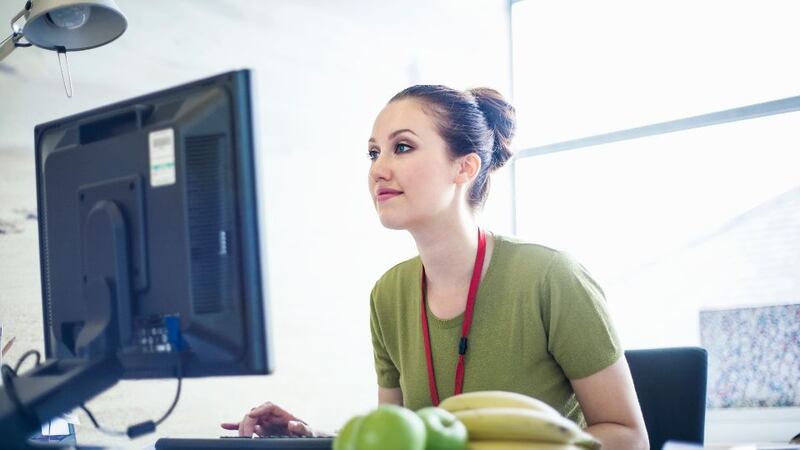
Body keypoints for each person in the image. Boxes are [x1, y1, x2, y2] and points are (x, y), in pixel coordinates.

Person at [221, 85, 649, 449]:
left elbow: (629, 435)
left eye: (401, 147)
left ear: (464, 167)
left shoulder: (550, 275)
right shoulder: (388, 294)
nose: (378, 169)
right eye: (373, 153)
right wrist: (314, 438)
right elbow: (402, 436)